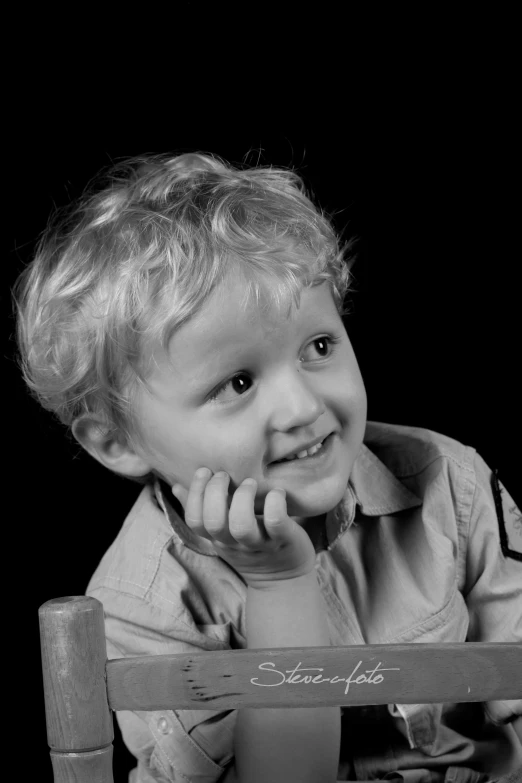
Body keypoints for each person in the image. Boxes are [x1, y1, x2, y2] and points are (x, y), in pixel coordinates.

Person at [14, 152, 521, 782]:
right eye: (238, 382)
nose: (305, 406)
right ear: (118, 442)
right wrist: (279, 585)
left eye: (318, 346)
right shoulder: (139, 607)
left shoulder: (451, 484)